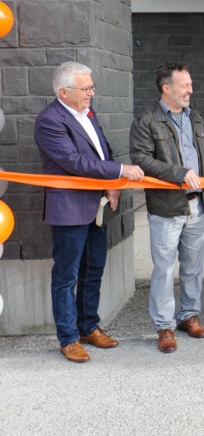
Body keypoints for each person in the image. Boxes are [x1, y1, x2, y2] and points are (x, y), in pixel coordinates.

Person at [34, 62, 145, 363]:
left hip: (98, 205)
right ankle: (68, 339)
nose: (91, 93)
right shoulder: (50, 121)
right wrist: (121, 171)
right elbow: (75, 162)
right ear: (63, 92)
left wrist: (111, 184)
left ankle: (88, 328)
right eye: (86, 89)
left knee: (93, 269)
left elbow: (101, 151)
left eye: (91, 87)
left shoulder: (88, 113)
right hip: (69, 208)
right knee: (67, 277)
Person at [130, 62, 204, 352]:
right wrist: (179, 173)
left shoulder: (197, 119)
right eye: (185, 85)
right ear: (166, 88)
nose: (191, 90)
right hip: (167, 208)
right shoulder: (147, 121)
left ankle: (189, 316)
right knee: (165, 269)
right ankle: (164, 326)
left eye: (190, 84)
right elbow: (142, 160)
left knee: (193, 267)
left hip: (199, 207)